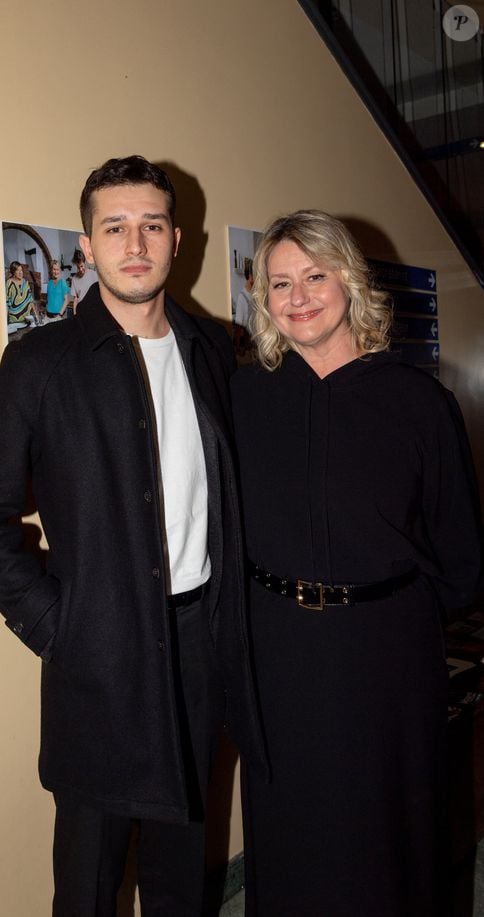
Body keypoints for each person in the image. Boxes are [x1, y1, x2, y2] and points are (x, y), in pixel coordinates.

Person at [0, 155, 266, 917]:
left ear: (177, 239)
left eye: (151, 225)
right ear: (86, 247)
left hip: (198, 648)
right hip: (97, 657)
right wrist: (59, 624)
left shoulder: (214, 351)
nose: (135, 243)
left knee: (179, 877)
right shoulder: (39, 363)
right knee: (89, 882)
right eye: (115, 227)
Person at [231, 210, 483, 917]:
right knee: (291, 835)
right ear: (264, 298)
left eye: (315, 275)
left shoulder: (420, 404)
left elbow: (462, 556)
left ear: (350, 280)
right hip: (278, 650)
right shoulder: (242, 399)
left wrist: (395, 611)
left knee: (390, 837)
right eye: (280, 283)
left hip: (388, 653)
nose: (299, 296)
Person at [5, 260, 40, 326]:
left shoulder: (25, 282)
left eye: (21, 270)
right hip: (14, 321)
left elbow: (30, 300)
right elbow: (7, 303)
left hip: (27, 320)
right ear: (13, 272)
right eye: (17, 270)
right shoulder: (9, 283)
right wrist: (5, 322)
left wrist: (36, 317)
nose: (20, 272)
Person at [69, 249, 98, 313]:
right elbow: (75, 299)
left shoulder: (94, 274)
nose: (80, 269)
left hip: (93, 310)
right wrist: (75, 314)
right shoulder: (74, 279)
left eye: (81, 266)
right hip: (81, 311)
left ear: (84, 262)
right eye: (78, 267)